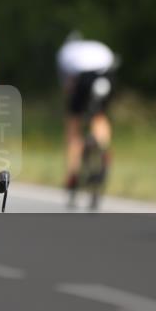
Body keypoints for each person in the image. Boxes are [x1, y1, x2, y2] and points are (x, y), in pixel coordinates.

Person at [56, 33, 117, 197]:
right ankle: (103, 149)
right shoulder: (95, 45)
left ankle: (72, 174)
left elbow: (67, 85)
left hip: (82, 76)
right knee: (100, 116)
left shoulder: (64, 53)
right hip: (106, 74)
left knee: (73, 125)